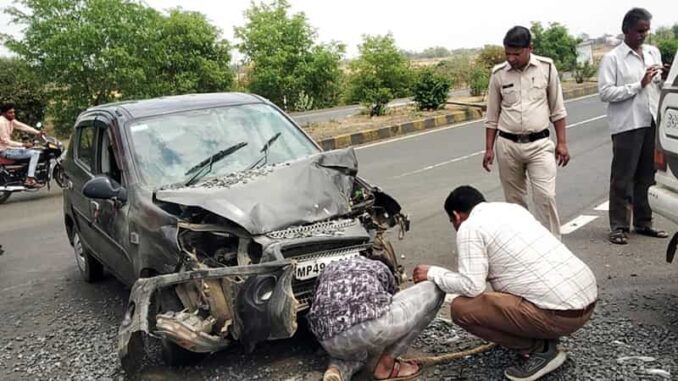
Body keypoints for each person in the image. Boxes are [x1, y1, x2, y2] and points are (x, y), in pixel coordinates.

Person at [413, 186, 597, 381]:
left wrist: (433, 273)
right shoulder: (512, 210)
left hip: (561, 316)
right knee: (500, 294)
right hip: (587, 300)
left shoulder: (469, 226)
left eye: (452, 222)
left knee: (461, 309)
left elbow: (472, 286)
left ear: (456, 216)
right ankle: (541, 333)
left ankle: (541, 350)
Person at [483, 26, 569, 239]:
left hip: (539, 144)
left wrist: (562, 142)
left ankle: (551, 246)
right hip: (508, 146)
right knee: (514, 202)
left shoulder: (547, 68)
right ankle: (524, 245)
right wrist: (488, 148)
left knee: (545, 196)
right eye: (507, 53)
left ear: (529, 48)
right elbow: (492, 115)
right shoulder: (498, 74)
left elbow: (557, 109)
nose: (511, 58)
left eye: (516, 53)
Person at [306, 255, 444, 381]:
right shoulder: (380, 267)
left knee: (356, 352)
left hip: (329, 340)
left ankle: (336, 370)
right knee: (436, 289)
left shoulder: (332, 267)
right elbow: (394, 300)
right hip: (366, 328)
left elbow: (314, 303)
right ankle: (387, 366)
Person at [598, 8, 670, 245]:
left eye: (646, 30)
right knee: (623, 177)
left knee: (647, 174)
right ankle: (618, 226)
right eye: (639, 31)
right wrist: (638, 85)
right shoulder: (613, 58)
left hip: (650, 119)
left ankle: (643, 222)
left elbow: (657, 86)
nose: (644, 35)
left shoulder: (652, 52)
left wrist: (664, 77)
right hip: (627, 124)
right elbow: (605, 92)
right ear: (626, 30)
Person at [0, 103, 44, 188]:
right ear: (3, 113)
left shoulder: (10, 120)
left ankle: (26, 173)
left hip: (8, 148)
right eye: (10, 112)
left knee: (30, 149)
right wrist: (23, 144)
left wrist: (37, 132)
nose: (13, 114)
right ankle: (29, 179)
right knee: (35, 153)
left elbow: (22, 126)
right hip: (4, 151)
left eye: (13, 112)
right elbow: (6, 141)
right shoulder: (1, 123)